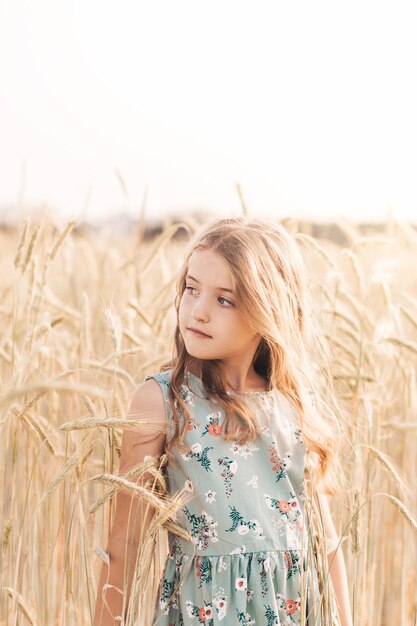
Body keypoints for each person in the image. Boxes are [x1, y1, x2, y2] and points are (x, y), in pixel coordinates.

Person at [93, 217, 353, 626]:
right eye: (191, 289)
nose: (198, 311)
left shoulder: (291, 405)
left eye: (224, 300)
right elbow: (123, 545)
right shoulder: (164, 401)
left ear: (268, 309)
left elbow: (326, 543)